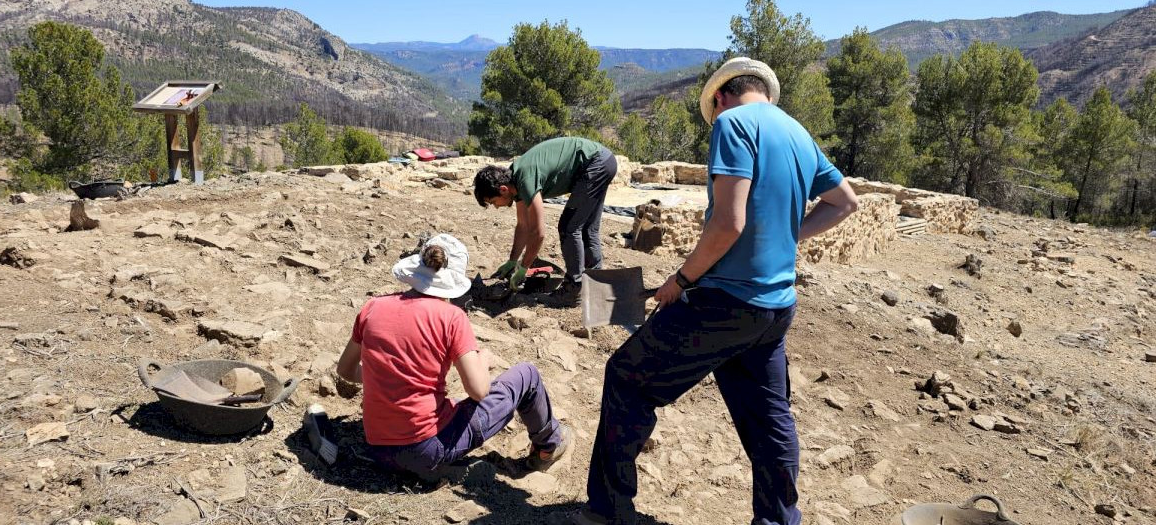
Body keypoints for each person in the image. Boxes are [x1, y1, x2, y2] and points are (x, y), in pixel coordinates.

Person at [572, 57, 860, 525]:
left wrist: (681, 280)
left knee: (626, 379)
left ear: (722, 96)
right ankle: (779, 520)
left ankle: (608, 509)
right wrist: (786, 235)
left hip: (722, 303)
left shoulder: (732, 123)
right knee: (769, 421)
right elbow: (845, 203)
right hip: (776, 307)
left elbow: (728, 222)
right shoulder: (798, 133)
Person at [333, 233, 573, 480]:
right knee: (527, 375)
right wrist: (483, 359)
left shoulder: (373, 307)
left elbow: (346, 370)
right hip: (427, 449)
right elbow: (478, 391)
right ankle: (548, 446)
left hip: (379, 450)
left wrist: (386, 377)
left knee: (452, 402)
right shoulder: (451, 317)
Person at [473, 136, 618, 302]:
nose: (496, 207)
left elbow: (538, 232)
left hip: (595, 163)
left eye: (493, 202)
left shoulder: (525, 179)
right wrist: (513, 261)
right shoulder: (515, 181)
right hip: (604, 160)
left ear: (503, 189)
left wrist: (523, 268)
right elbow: (523, 226)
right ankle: (595, 281)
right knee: (587, 228)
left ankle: (574, 287)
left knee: (568, 227)